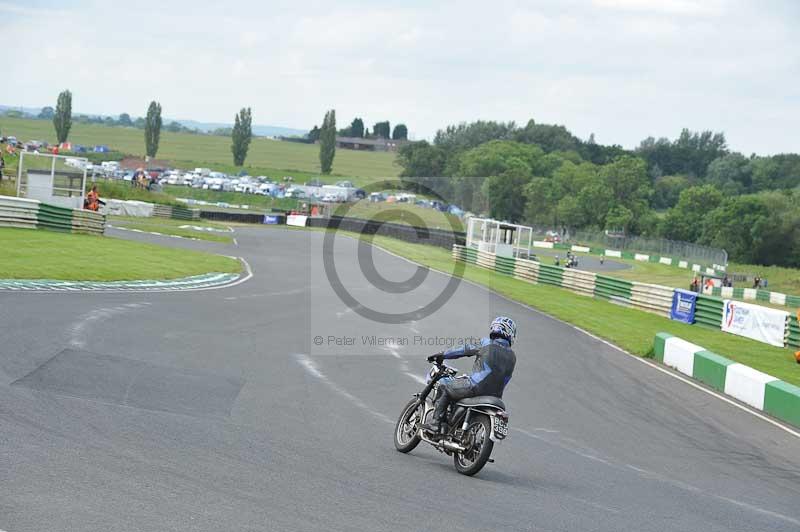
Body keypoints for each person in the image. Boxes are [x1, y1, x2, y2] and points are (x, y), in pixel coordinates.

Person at [420, 317, 517, 435]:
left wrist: (442, 355)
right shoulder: (513, 357)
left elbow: (463, 350)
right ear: (511, 334)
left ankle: (435, 423)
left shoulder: (486, 343)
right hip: (495, 396)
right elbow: (506, 379)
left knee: (445, 383)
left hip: (475, 387)